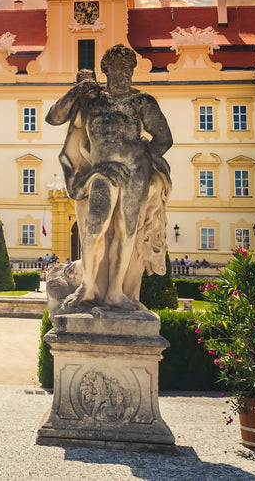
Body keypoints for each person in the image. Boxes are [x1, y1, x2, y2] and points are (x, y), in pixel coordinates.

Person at [46, 44, 173, 312]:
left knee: (127, 230)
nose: (124, 73)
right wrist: (78, 90)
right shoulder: (93, 100)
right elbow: (53, 117)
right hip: (103, 170)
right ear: (106, 70)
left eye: (128, 68)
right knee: (96, 227)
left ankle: (115, 292)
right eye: (118, 68)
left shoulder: (142, 102)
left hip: (135, 170)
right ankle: (87, 286)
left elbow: (164, 138)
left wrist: (144, 157)